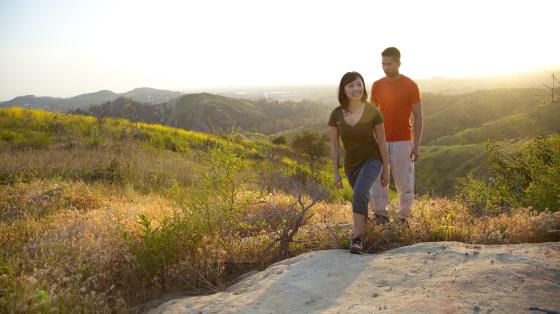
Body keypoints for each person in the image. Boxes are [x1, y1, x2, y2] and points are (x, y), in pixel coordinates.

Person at [329, 71, 390, 254]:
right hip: (351, 165)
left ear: (364, 86)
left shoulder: (373, 111)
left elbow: (381, 141)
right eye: (351, 85)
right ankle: (368, 227)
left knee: (360, 192)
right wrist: (336, 172)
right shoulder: (336, 114)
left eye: (359, 84)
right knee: (360, 197)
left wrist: (386, 169)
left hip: (372, 159)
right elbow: (334, 145)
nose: (356, 88)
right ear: (344, 90)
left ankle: (357, 238)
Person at [369, 47, 423, 224]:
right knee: (377, 178)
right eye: (383, 64)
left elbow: (418, 116)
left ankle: (403, 217)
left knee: (404, 180)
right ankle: (380, 214)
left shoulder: (410, 85)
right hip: (380, 140)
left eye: (389, 64)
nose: (385, 67)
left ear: (398, 63)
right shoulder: (377, 85)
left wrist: (416, 145)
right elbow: (372, 114)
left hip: (403, 140)